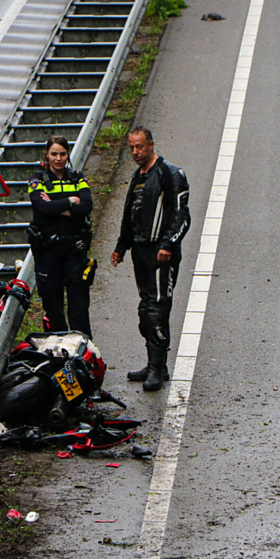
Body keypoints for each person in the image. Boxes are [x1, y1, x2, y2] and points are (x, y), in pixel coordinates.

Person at [110, 126, 190, 391]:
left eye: (140, 147)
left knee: (157, 309)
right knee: (145, 309)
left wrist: (168, 244)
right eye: (132, 147)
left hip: (161, 253)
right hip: (140, 251)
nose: (135, 152)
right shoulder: (138, 176)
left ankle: (157, 369)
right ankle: (155, 363)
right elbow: (130, 213)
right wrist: (121, 247)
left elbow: (182, 216)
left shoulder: (170, 173)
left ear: (151, 145)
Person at [27, 135, 95, 337]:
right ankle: (58, 350)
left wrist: (56, 206)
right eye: (54, 154)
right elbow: (41, 208)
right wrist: (69, 201)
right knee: (52, 305)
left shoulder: (77, 177)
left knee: (79, 306)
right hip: (48, 251)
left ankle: (83, 352)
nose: (58, 158)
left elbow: (87, 206)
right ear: (47, 155)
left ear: (68, 155)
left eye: (62, 154)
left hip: (74, 249)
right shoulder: (37, 179)